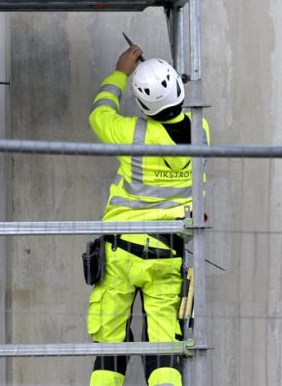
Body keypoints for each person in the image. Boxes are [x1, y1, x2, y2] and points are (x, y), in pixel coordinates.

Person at [86, 45, 209, 386]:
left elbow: (99, 113)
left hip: (120, 253)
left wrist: (121, 73)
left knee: (111, 344)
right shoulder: (202, 132)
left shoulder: (130, 133)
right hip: (167, 253)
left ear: (141, 105)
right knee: (164, 346)